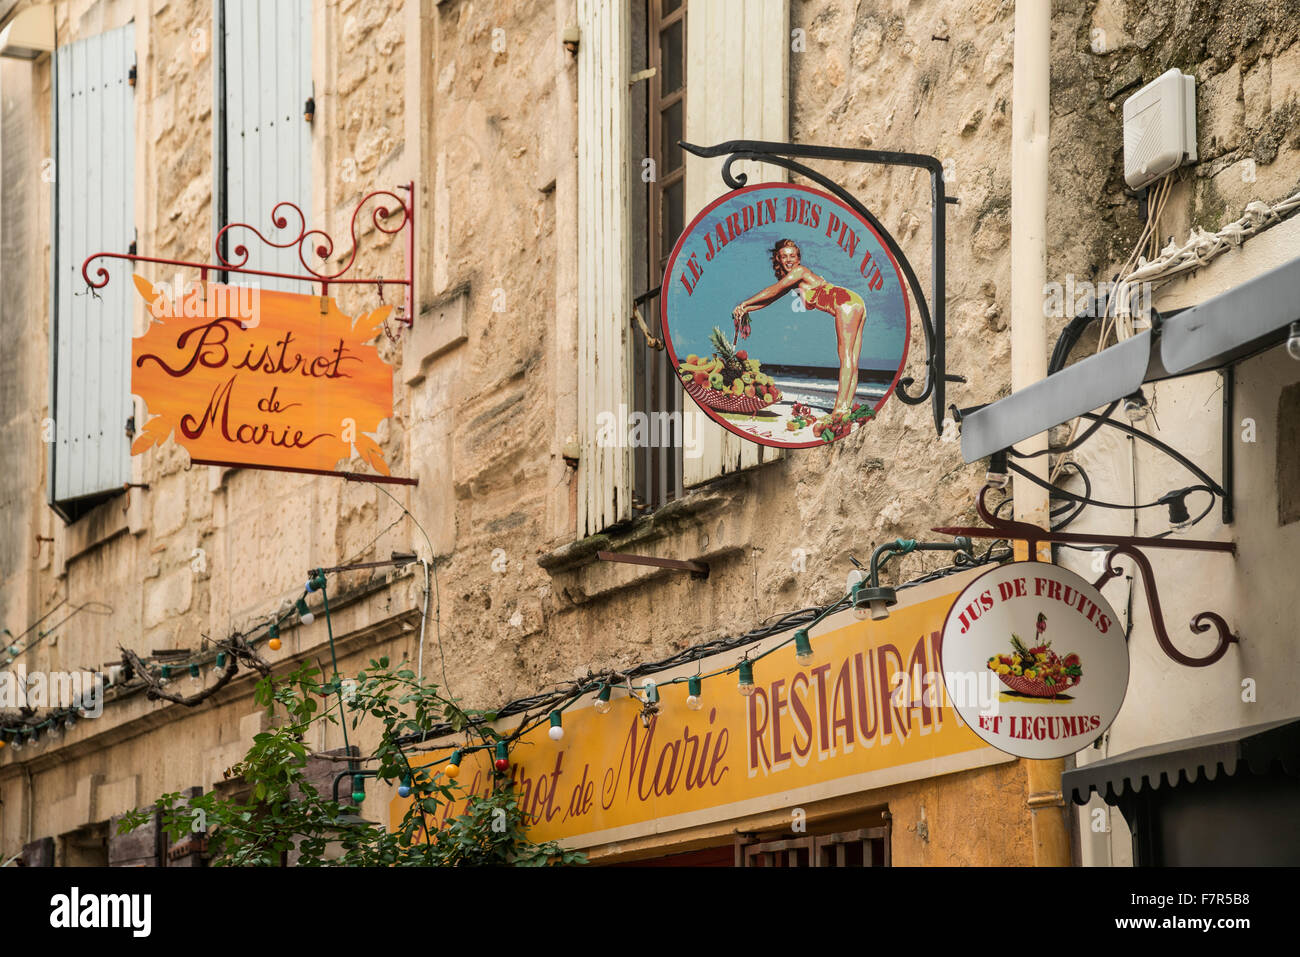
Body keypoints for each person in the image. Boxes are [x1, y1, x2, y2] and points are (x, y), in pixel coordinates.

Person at [731, 239, 868, 415]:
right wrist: (746, 308)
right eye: (784, 256)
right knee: (852, 360)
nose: (788, 260)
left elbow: (773, 290)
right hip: (854, 302)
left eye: (792, 256)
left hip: (845, 303)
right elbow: (773, 297)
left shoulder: (799, 271)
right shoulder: (795, 279)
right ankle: (845, 409)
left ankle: (838, 411)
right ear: (778, 259)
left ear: (798, 258)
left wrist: (744, 302)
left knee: (846, 356)